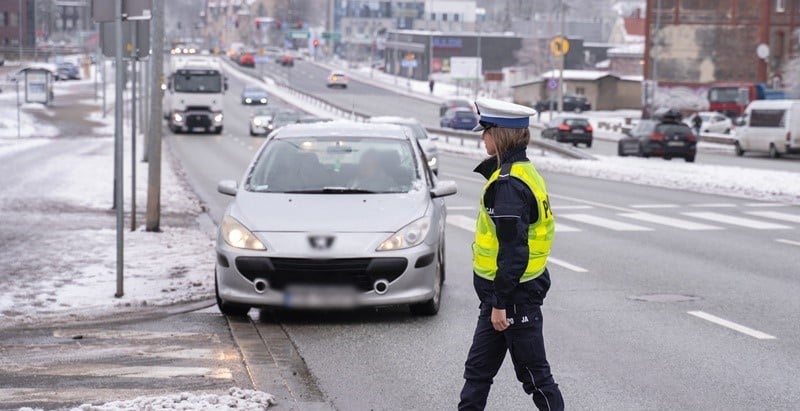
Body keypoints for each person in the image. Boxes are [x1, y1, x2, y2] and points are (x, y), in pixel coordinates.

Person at [459, 98, 564, 411]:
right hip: (500, 296)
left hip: (512, 297)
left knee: (535, 377)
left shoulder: (509, 184)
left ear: (499, 134)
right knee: (477, 372)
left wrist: (500, 304)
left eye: (486, 131)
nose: (482, 137)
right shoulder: (522, 172)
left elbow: (514, 250)